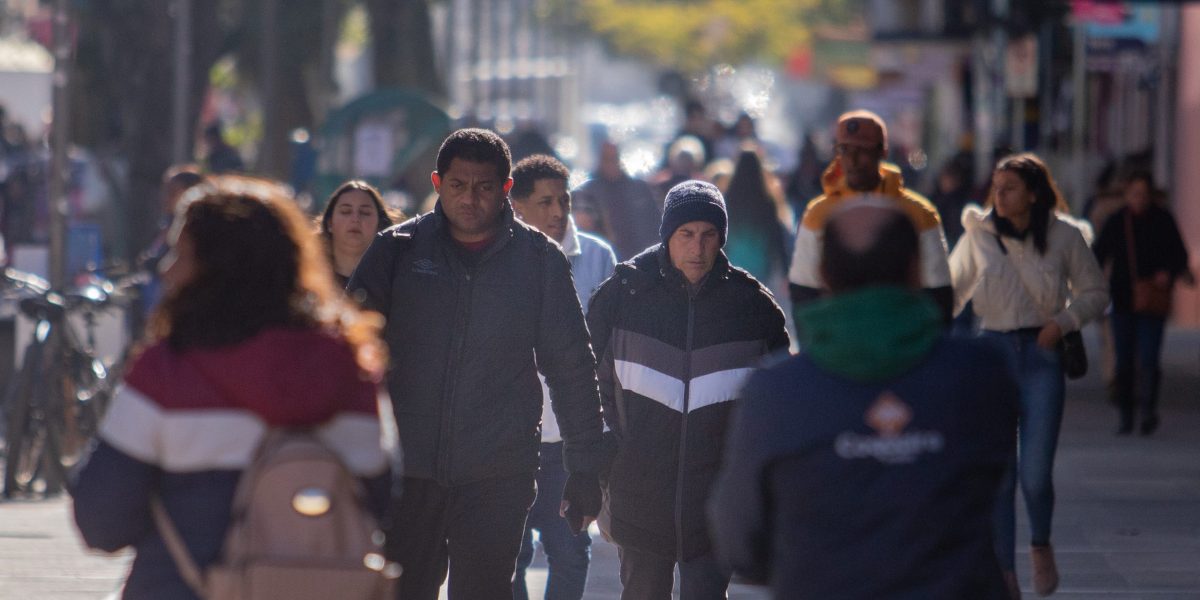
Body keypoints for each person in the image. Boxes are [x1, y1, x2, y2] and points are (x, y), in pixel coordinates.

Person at [72, 175, 392, 599]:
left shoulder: (167, 370)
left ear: (217, 268)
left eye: (180, 253)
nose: (166, 270)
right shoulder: (350, 370)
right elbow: (383, 502)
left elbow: (102, 521)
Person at [710, 197, 1018, 599]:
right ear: (915, 270)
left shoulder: (775, 393)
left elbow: (739, 538)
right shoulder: (982, 374)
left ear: (823, 276)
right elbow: (995, 484)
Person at [347, 128, 605, 599]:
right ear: (438, 182)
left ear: (505, 189)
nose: (470, 199)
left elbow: (571, 367)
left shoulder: (538, 260)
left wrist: (586, 467)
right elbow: (347, 354)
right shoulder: (398, 250)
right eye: (457, 186)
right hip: (409, 471)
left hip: (497, 475)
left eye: (484, 187)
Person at [586, 180, 790, 599]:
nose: (697, 248)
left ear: (721, 239)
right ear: (667, 236)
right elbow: (589, 384)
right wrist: (603, 460)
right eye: (686, 234)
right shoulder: (623, 296)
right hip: (638, 494)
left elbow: (777, 404)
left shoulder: (754, 310)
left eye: (708, 235)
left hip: (715, 504)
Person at [949, 153, 1108, 598]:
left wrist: (1064, 322)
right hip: (993, 356)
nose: (999, 195)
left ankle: (1040, 543)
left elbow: (1096, 291)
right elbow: (951, 291)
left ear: (1034, 194)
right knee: (1000, 474)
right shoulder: (978, 236)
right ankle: (1005, 576)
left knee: (1035, 475)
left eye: (1010, 188)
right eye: (996, 187)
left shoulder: (1065, 236)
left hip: (1042, 356)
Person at [509, 154, 618, 600]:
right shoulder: (500, 257)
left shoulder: (597, 257)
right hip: (510, 439)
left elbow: (611, 350)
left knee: (571, 553)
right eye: (544, 202)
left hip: (570, 443)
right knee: (506, 557)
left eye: (564, 201)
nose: (557, 212)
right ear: (515, 205)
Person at [787, 110, 953, 326]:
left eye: (862, 150)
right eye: (844, 150)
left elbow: (938, 291)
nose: (853, 160)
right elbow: (803, 289)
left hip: (903, 341)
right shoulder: (817, 213)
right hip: (840, 342)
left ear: (882, 152)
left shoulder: (921, 213)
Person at [1092, 171, 1193, 435]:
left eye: (1144, 194)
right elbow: (1099, 254)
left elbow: (1178, 254)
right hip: (1123, 299)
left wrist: (1167, 273)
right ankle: (1127, 415)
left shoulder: (1162, 219)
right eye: (1135, 194)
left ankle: (1148, 409)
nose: (1139, 199)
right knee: (1124, 360)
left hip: (1153, 301)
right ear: (1127, 195)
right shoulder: (1117, 221)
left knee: (1149, 358)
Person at [572, 140, 661, 260]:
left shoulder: (640, 189)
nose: (611, 164)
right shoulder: (586, 193)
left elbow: (655, 224)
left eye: (614, 159)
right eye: (607, 159)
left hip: (639, 257)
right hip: (604, 258)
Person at [317, 180, 399, 288]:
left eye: (365, 212)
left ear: (379, 225)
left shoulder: (393, 281)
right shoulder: (307, 276)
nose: (355, 219)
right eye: (346, 211)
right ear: (330, 223)